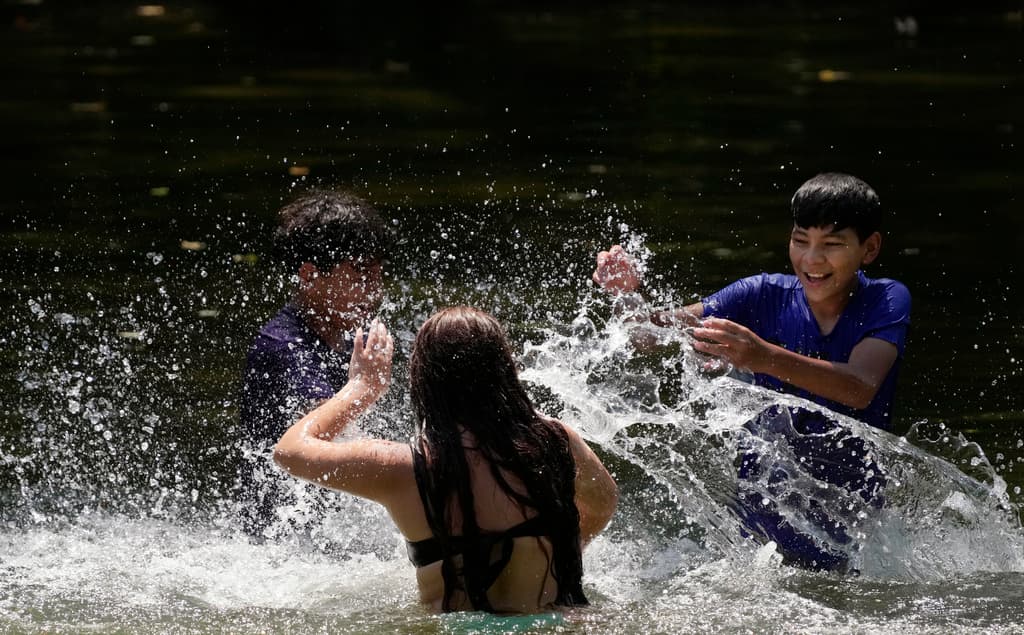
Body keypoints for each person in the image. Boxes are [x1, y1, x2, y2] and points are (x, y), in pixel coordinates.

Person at [593, 173, 910, 571]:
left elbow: (860, 387)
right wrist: (626, 294)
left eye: (831, 245)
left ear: (870, 248)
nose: (811, 259)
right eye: (800, 240)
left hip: (852, 525)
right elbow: (649, 334)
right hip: (760, 524)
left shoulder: (886, 299)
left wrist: (761, 357)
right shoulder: (760, 294)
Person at [273, 308, 618, 613]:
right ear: (505, 370)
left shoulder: (404, 467)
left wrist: (362, 388)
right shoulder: (556, 441)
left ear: (423, 380)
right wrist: (562, 549)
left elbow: (289, 450)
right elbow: (604, 502)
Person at [236, 189, 392, 538]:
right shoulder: (281, 346)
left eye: (378, 273)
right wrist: (365, 387)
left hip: (328, 533)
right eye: (360, 273)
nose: (375, 289)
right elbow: (321, 439)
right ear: (308, 276)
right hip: (280, 540)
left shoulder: (350, 333)